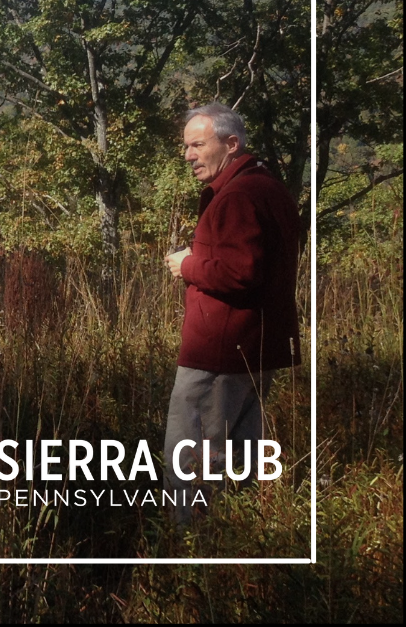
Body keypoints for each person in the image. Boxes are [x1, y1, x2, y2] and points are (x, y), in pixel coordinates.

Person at [161, 103, 300, 518]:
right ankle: (234, 542)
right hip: (253, 345)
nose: (188, 155)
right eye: (186, 146)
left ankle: (188, 548)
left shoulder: (238, 195)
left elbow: (241, 272)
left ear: (232, 143)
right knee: (239, 456)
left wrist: (187, 265)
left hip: (221, 351)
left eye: (198, 145)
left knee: (190, 456)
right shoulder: (266, 187)